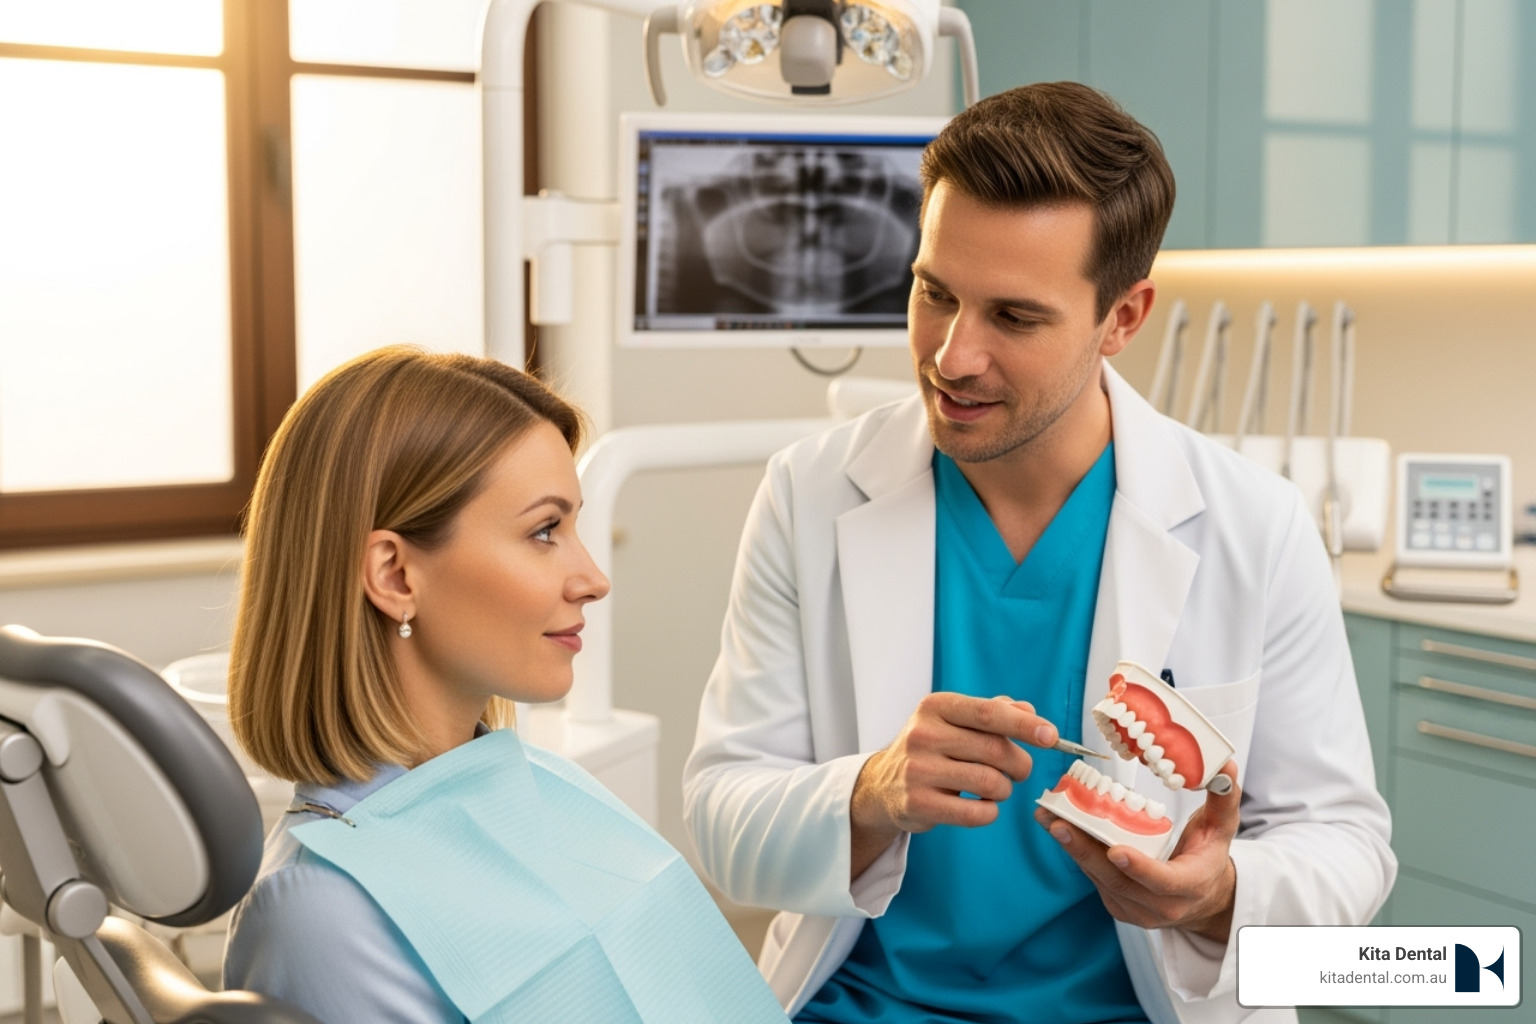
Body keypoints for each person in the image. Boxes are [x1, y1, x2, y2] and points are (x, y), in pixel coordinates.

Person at [682, 83, 1395, 1024]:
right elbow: (721, 821)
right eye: (934, 294)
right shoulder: (810, 494)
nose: (953, 356)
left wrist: (1216, 896)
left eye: (1014, 318)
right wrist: (869, 793)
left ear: (1123, 319)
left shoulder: (1254, 527)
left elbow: (1347, 845)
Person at [223, 347, 790, 1024]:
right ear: (396, 576)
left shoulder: (542, 785)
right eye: (544, 531)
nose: (592, 578)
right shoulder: (320, 913)